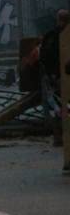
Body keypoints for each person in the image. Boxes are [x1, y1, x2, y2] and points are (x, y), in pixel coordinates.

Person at [39, 9, 69, 146]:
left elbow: (43, 57)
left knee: (56, 108)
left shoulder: (50, 36)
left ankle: (58, 137)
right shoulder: (62, 36)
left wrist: (50, 75)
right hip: (61, 77)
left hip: (54, 78)